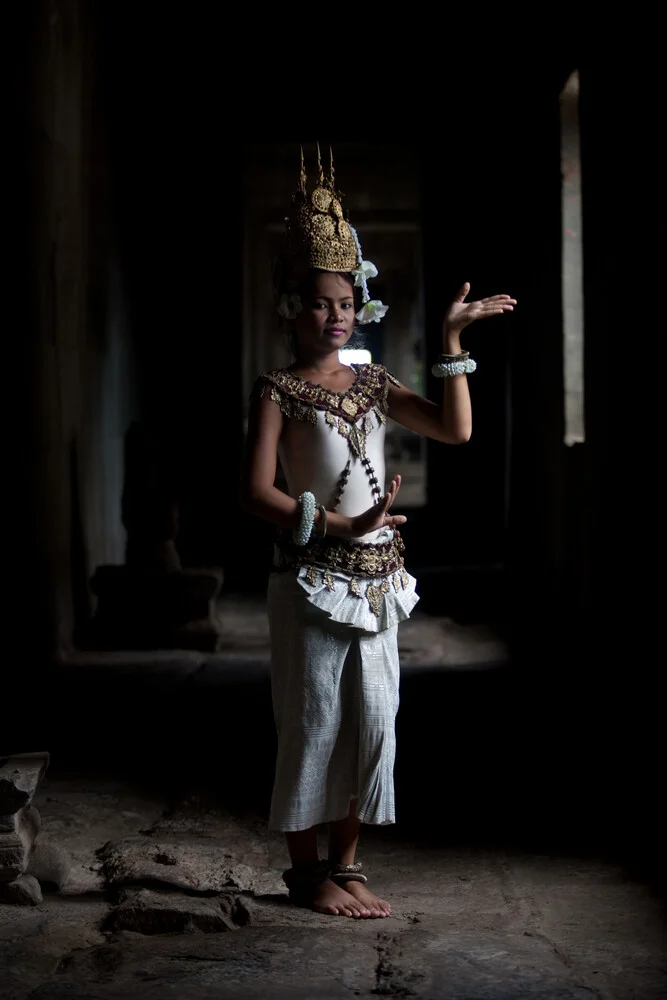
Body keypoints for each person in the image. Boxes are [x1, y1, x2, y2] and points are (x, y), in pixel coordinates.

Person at [240, 147, 516, 919]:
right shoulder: (279, 391)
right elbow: (255, 492)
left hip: (379, 580)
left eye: (347, 302)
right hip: (310, 580)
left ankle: (348, 865)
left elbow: (453, 432)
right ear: (290, 306)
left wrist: (452, 342)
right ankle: (306, 875)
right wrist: (336, 521)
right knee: (311, 723)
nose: (337, 316)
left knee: (373, 722)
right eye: (321, 303)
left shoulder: (370, 384)